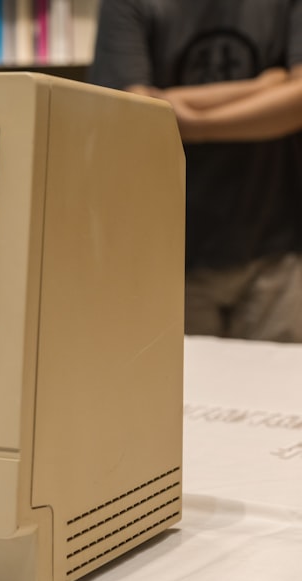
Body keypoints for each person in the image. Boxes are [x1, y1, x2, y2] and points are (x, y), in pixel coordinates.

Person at [89, 0, 302, 343]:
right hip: (168, 255)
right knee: (179, 392)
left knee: (279, 388)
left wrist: (193, 121)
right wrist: (264, 88)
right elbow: (135, 114)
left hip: (278, 249)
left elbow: (298, 105)